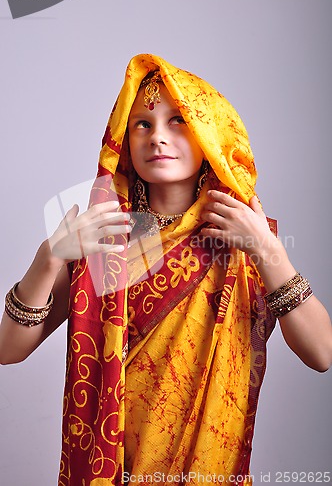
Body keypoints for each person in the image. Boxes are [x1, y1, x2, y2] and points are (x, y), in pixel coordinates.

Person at [0, 54, 331, 486]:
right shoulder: (103, 236)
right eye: (142, 123)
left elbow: (322, 354)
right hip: (109, 469)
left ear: (209, 134)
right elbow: (9, 350)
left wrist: (267, 249)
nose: (157, 137)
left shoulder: (241, 238)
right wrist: (48, 257)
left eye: (178, 121)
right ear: (122, 138)